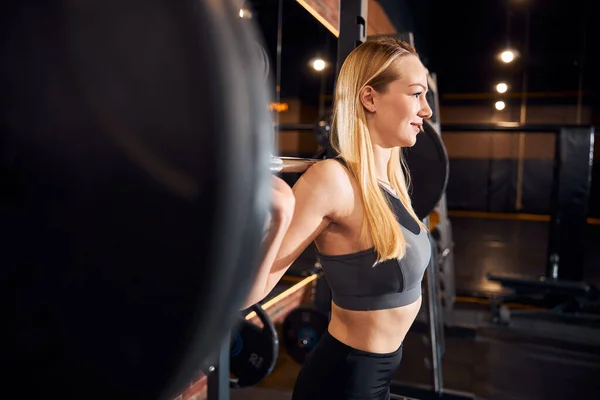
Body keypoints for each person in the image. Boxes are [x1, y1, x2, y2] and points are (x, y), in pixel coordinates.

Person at [244, 37, 434, 400]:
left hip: (380, 375)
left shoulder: (390, 181)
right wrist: (281, 209)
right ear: (370, 98)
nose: (426, 110)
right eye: (415, 94)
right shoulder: (331, 181)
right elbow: (249, 294)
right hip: (344, 384)